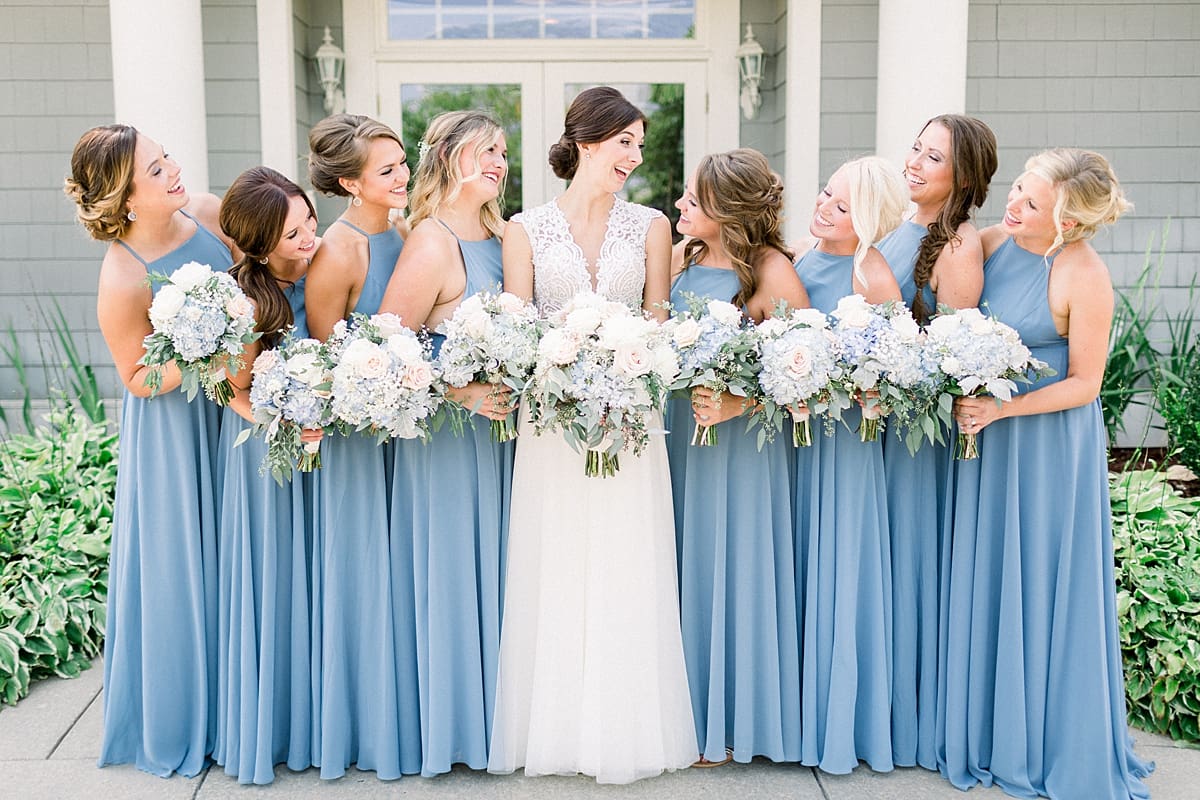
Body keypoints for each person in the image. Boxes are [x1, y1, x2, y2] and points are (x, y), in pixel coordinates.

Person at [487, 86, 698, 784]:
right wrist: (565, 367)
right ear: (584, 142)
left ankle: (624, 730)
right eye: (624, 143)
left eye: (639, 144)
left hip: (631, 421)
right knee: (558, 560)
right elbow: (517, 328)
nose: (635, 157)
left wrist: (629, 360)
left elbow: (659, 316)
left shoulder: (650, 225)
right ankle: (555, 731)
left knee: (625, 560)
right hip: (552, 424)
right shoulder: (525, 227)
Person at [940, 149, 1152, 799]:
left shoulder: (1083, 274)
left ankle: (1039, 737)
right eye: (1019, 191)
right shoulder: (995, 240)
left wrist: (1005, 408)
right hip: (989, 436)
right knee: (989, 574)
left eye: (1032, 204)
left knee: (1036, 578)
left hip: (1046, 445)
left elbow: (1087, 385)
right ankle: (980, 729)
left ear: (1068, 223)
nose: (1014, 206)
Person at [65, 123, 232, 777]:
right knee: (183, 565)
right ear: (125, 198)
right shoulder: (122, 276)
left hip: (233, 409)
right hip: (174, 432)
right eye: (157, 171)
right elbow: (138, 377)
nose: (175, 172)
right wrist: (207, 355)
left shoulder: (210, 213)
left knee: (236, 555)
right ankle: (186, 715)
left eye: (168, 160)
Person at [378, 110, 513, 777]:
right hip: (448, 443)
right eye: (487, 150)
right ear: (452, 155)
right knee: (455, 576)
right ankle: (451, 729)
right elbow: (383, 354)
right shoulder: (430, 243)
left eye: (504, 153)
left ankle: (498, 721)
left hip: (503, 441)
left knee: (500, 577)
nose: (499, 162)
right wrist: (461, 394)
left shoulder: (499, 236)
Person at [665, 148, 808, 766]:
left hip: (741, 448)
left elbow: (810, 371)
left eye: (692, 200)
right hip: (678, 436)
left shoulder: (773, 271)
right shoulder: (680, 260)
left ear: (725, 211)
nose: (679, 206)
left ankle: (732, 720)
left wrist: (737, 404)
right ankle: (680, 711)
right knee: (680, 563)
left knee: (732, 568)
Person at [874, 114, 997, 770]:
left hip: (916, 436)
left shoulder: (958, 247)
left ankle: (913, 719)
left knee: (910, 564)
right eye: (916, 149)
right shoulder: (899, 225)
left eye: (933, 157)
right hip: (876, 423)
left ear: (964, 178)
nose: (915, 163)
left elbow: (954, 358)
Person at [304, 113, 418, 779]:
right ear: (350, 182)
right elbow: (322, 363)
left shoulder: (403, 232)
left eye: (402, 163)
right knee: (364, 578)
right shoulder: (338, 253)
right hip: (355, 442)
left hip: (407, 433)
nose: (402, 176)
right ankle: (361, 726)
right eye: (386, 170)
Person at [791, 155, 907, 774]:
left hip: (842, 446)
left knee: (836, 567)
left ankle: (837, 722)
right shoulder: (804, 255)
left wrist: (852, 386)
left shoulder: (873, 274)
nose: (824, 209)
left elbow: (891, 377)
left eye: (840, 207)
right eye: (824, 194)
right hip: (793, 435)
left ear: (866, 220)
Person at [212, 167, 321, 784]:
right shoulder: (247, 299)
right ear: (258, 244)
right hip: (263, 452)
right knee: (272, 578)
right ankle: (270, 726)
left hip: (315, 447)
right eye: (292, 234)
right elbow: (234, 389)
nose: (308, 238)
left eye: (309, 222)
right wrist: (283, 421)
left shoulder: (321, 272)